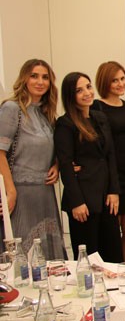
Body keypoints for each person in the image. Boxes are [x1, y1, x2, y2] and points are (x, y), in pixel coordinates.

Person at [0, 59, 66, 260]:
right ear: (24, 79)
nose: (40, 81)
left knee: (48, 258)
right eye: (34, 76)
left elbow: (50, 148)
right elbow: (0, 152)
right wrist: (10, 191)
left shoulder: (46, 114)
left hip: (45, 193)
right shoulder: (12, 109)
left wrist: (56, 165)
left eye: (45, 77)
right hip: (20, 194)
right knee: (21, 256)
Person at [54, 72, 122, 262]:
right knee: (89, 258)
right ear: (70, 95)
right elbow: (66, 165)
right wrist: (77, 202)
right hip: (83, 199)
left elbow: (110, 155)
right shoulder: (65, 123)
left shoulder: (100, 117)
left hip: (106, 198)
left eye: (88, 87)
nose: (87, 93)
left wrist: (114, 190)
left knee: (113, 255)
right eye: (79, 90)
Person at [93, 61, 125, 262]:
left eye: (122, 78)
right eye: (114, 80)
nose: (121, 84)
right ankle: (113, 269)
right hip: (108, 176)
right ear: (105, 82)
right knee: (112, 231)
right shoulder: (96, 107)